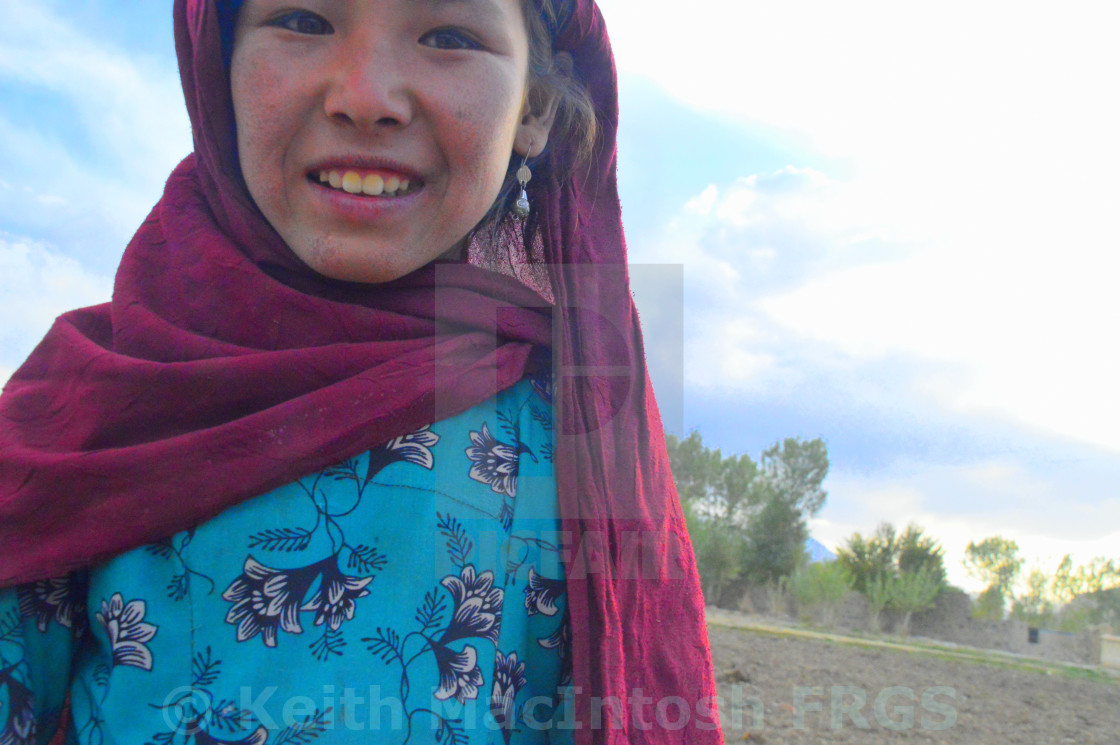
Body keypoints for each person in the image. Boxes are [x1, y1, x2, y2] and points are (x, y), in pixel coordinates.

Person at [0, 1, 722, 743]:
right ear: (219, 67)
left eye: (450, 36)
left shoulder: (570, 433)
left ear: (533, 109)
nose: (366, 98)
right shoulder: (83, 401)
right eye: (304, 22)